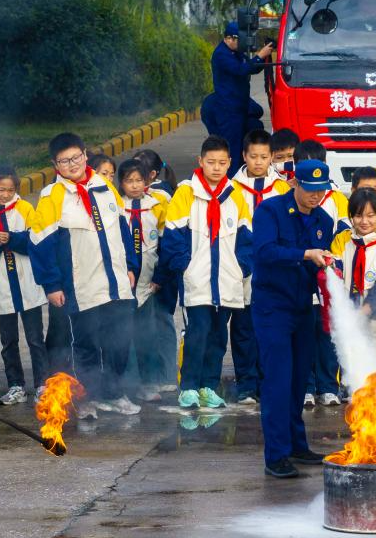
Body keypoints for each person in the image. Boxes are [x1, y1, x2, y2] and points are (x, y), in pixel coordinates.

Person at [30, 133, 139, 419]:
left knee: (119, 341)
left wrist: (130, 266)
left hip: (115, 281)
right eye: (65, 161)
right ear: (55, 165)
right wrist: (51, 284)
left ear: (85, 154)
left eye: (76, 157)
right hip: (81, 285)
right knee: (86, 344)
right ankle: (86, 398)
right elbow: (41, 245)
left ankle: (114, 393)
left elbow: (123, 228)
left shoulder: (103, 186)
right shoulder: (51, 197)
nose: (72, 164)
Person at [252, 159, 335, 478]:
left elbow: (319, 264)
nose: (316, 196)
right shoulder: (270, 211)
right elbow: (264, 252)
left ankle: (297, 444)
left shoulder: (323, 220)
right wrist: (304, 254)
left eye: (321, 191)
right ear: (294, 184)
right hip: (272, 308)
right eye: (310, 190)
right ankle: (276, 455)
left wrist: (329, 265)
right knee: (277, 381)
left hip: (303, 308)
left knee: (299, 380)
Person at [160, 136, 253, 410]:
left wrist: (241, 267)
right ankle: (188, 386)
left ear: (229, 163)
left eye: (222, 163)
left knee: (218, 335)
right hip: (196, 280)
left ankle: (209, 387)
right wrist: (184, 265)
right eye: (211, 162)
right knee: (197, 333)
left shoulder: (235, 195)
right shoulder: (186, 194)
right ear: (200, 162)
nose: (216, 168)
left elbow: (246, 236)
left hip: (226, 279)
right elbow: (173, 234)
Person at [231, 129, 290, 404]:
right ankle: (245, 383)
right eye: (253, 156)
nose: (258, 162)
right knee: (244, 329)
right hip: (243, 271)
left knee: (272, 330)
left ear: (271, 158)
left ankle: (269, 382)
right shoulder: (231, 189)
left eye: (264, 157)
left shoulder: (283, 189)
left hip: (275, 272)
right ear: (244, 156)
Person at [0, 166, 49, 405]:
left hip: (27, 283)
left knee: (34, 338)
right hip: (1, 285)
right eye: (1, 189)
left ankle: (42, 383)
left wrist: (12, 238)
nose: (6, 194)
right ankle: (15, 385)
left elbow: (34, 240)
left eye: (11, 190)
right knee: (8, 340)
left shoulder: (24, 208)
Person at [293, 139, 348, 406]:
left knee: (327, 333)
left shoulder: (336, 200)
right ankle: (306, 386)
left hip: (327, 278)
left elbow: (344, 234)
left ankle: (328, 385)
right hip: (298, 278)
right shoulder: (287, 197)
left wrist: (331, 263)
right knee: (303, 333)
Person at [330, 188, 376, 366]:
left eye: (371, 215)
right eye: (358, 215)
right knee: (353, 365)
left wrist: (363, 312)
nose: (364, 221)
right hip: (349, 315)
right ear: (350, 217)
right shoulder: (342, 240)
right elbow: (334, 273)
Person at [117, 159, 168, 402]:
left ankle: (149, 383)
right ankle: (126, 385)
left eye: (139, 180)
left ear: (147, 180)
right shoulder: (116, 206)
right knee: (122, 335)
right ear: (121, 183)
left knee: (146, 335)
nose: (135, 185)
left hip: (148, 282)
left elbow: (165, 242)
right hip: (123, 283)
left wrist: (160, 277)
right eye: (129, 181)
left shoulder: (157, 205)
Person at [204, 21, 273, 172]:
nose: (242, 44)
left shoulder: (237, 53)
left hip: (239, 107)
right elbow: (240, 70)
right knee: (233, 148)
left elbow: (251, 69)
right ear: (229, 39)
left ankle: (242, 172)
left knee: (253, 129)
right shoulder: (221, 54)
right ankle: (231, 181)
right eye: (239, 40)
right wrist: (259, 56)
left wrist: (263, 58)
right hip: (228, 109)